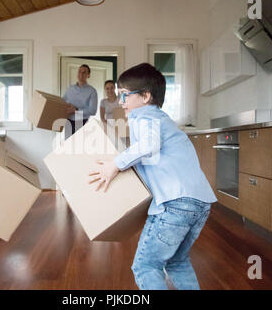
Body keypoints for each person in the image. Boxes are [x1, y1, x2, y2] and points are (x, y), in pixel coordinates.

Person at [88, 63, 217, 290]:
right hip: (200, 203)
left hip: (174, 204)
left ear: (145, 96)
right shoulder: (161, 118)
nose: (121, 102)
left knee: (146, 266)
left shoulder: (142, 115)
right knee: (177, 261)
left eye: (125, 95)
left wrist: (114, 166)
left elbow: (148, 145)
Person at [63, 64, 98, 139]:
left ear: (88, 75)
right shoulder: (70, 89)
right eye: (79, 72)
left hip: (82, 121)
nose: (81, 74)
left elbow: (93, 111)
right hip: (68, 121)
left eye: (84, 72)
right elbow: (62, 103)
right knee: (68, 146)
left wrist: (76, 110)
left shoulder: (92, 91)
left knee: (79, 146)